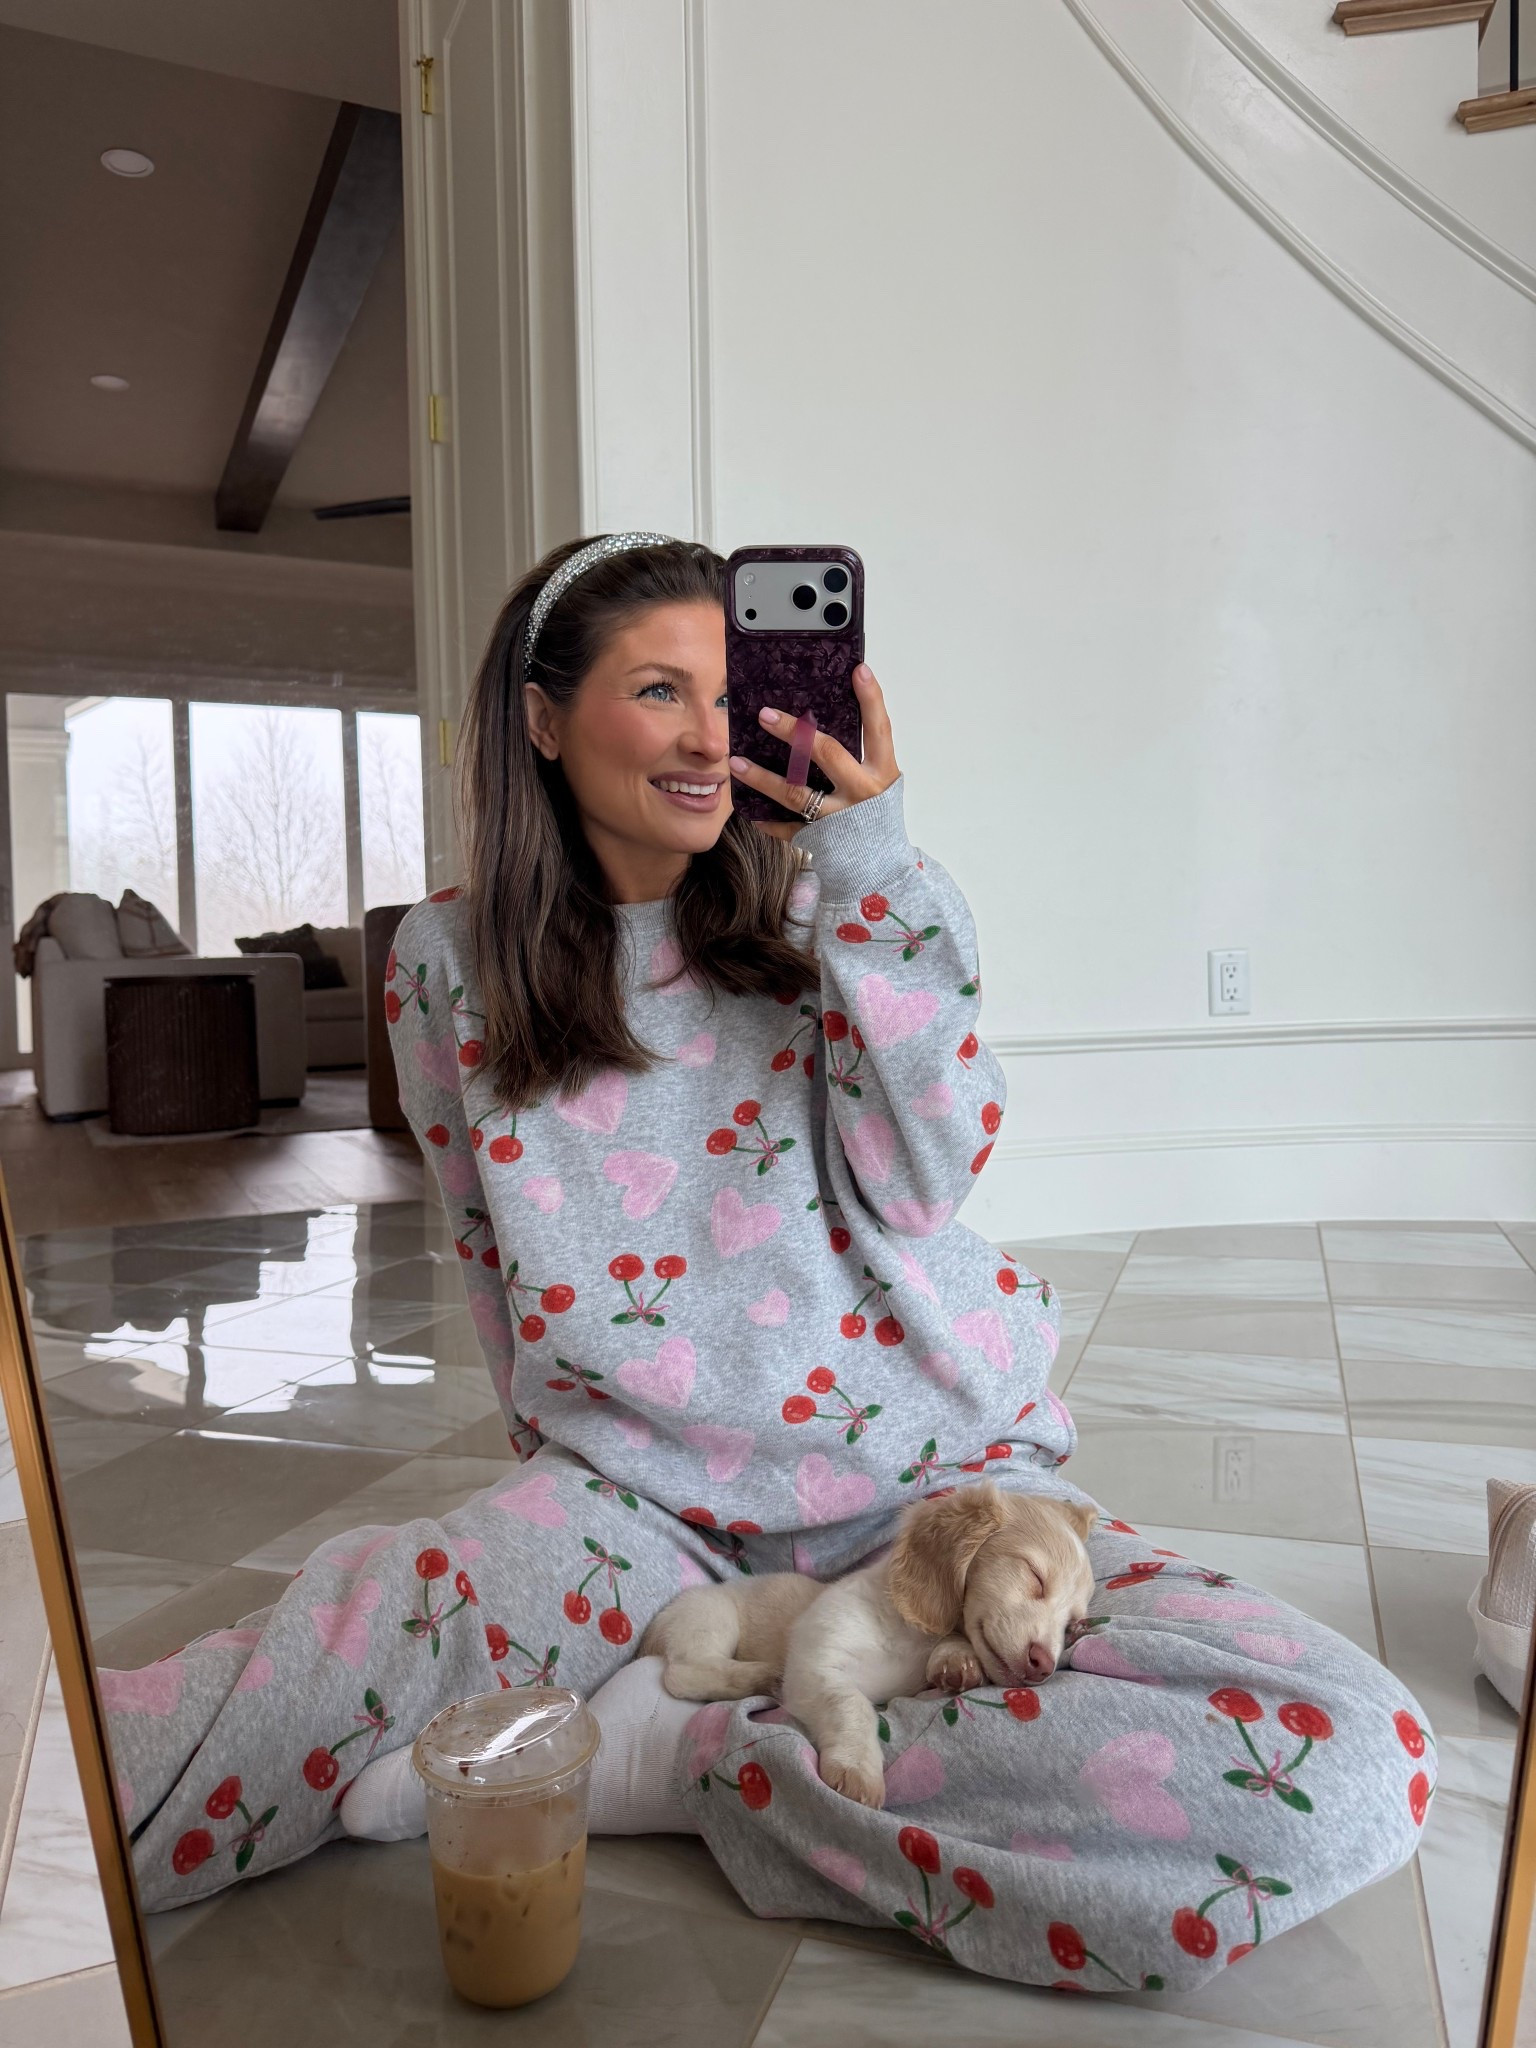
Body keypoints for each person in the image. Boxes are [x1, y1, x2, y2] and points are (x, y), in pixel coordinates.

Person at [105, 534, 1435, 1990]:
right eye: (657, 690)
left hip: (930, 1485)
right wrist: (550, 1524)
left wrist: (873, 873)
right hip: (635, 1502)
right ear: (542, 719)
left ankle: (686, 1759)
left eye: (730, 697)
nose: (706, 737)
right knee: (310, 1673)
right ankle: (754, 1706)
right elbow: (492, 1254)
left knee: (1347, 1765)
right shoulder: (444, 964)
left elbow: (928, 1181)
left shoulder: (837, 908)